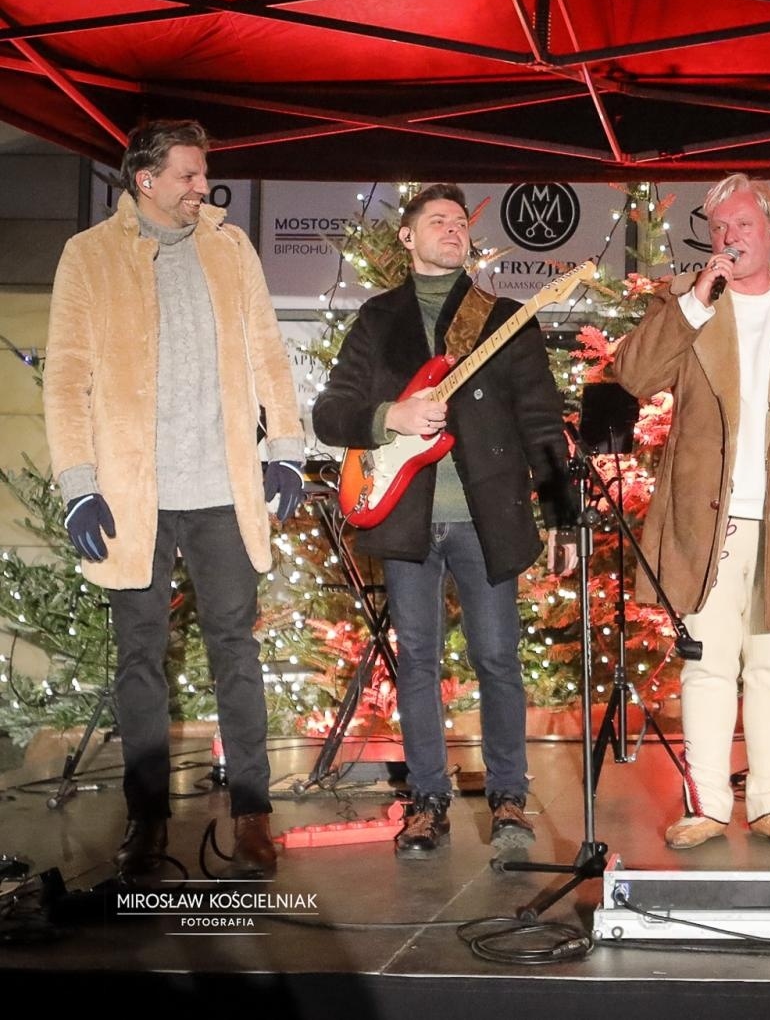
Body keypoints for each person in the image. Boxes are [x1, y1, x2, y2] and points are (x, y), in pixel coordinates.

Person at [43, 119, 304, 877]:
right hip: (133, 495)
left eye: (204, 173)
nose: (202, 187)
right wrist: (80, 487)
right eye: (189, 174)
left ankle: (252, 813)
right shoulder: (87, 257)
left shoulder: (231, 249)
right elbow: (65, 379)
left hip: (222, 488)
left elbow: (268, 356)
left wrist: (283, 451)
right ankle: (147, 821)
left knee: (237, 651)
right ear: (145, 179)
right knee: (138, 660)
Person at [312, 183, 577, 858]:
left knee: (498, 661)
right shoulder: (376, 320)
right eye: (437, 221)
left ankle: (509, 798)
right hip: (406, 518)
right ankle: (427, 801)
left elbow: (543, 423)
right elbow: (330, 414)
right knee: (419, 663)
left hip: (486, 520)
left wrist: (562, 517)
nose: (453, 229)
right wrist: (388, 418)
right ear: (407, 237)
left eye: (460, 222)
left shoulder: (504, 318)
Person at [612, 173, 770, 850]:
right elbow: (633, 376)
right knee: (707, 663)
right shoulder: (689, 302)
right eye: (721, 229)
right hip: (707, 513)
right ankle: (706, 804)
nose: (731, 239)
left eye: (744, 225)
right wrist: (695, 303)